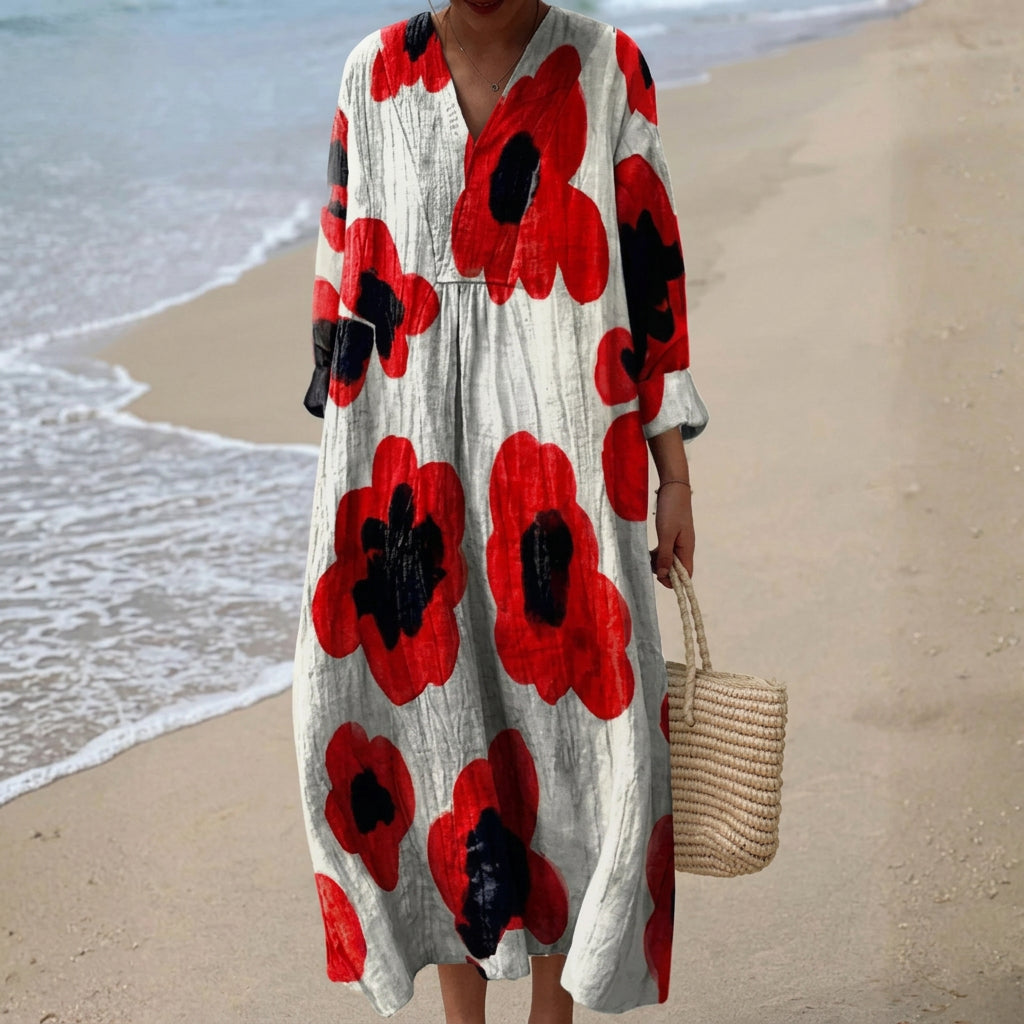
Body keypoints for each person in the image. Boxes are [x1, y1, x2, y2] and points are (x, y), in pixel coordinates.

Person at [292, 2, 709, 1021]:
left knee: (571, 738)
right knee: (434, 727)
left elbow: (651, 276)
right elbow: (340, 276)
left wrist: (674, 476)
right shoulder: (372, 76)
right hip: (407, 464)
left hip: (566, 473)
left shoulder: (606, 67)